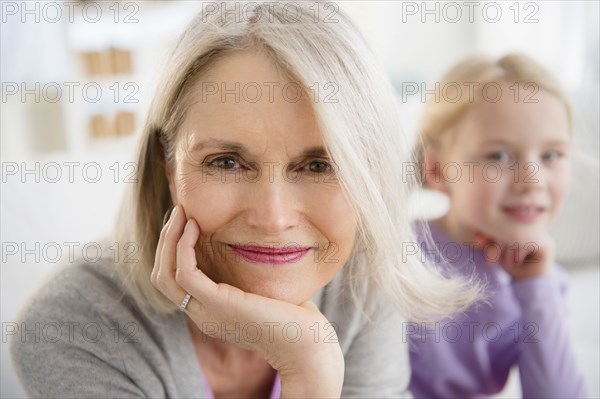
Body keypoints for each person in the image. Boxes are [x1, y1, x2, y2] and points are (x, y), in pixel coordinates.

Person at [10, 2, 479, 397]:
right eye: (226, 162)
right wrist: (309, 369)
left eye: (320, 165)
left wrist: (307, 360)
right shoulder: (72, 330)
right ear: (165, 166)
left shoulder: (361, 286)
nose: (272, 217)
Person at [409, 53, 587, 398]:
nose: (532, 180)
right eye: (498, 157)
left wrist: (535, 286)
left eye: (551, 156)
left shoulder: (544, 284)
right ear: (437, 170)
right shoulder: (399, 257)